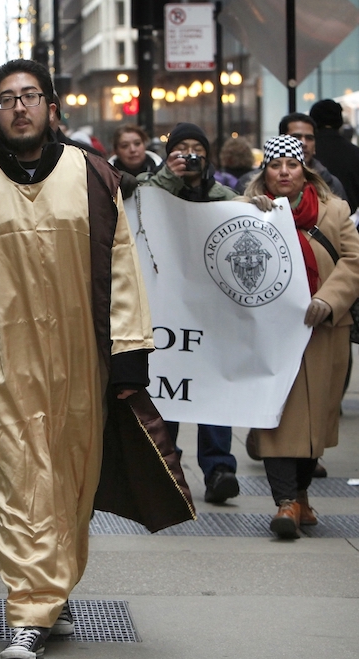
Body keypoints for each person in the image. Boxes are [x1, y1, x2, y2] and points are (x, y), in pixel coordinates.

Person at [0, 59, 191, 659]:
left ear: (51, 106)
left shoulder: (94, 177)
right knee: (17, 485)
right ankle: (28, 610)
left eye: (30, 96)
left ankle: (53, 587)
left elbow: (122, 268)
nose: (19, 107)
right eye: (6, 99)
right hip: (2, 364)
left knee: (70, 489)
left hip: (82, 364)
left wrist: (129, 354)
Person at [242, 135, 359, 537]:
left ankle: (302, 496)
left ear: (303, 169)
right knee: (275, 419)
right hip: (270, 336)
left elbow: (353, 261)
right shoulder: (246, 210)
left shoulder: (335, 211)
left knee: (314, 422)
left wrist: (329, 299)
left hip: (323, 332)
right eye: (275, 166)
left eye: (291, 165)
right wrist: (251, 216)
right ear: (266, 172)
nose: (284, 172)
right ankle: (286, 503)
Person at [138, 122, 241, 504]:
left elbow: (245, 220)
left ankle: (220, 470)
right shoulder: (155, 187)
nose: (191, 155)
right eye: (182, 149)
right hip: (169, 311)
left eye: (197, 149)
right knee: (171, 387)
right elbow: (140, 203)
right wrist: (171, 176)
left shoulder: (223, 196)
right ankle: (167, 467)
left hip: (211, 313)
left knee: (213, 389)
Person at [236, 113, 346, 200]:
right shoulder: (247, 183)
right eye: (296, 137)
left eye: (309, 138)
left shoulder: (331, 183)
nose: (303, 143)